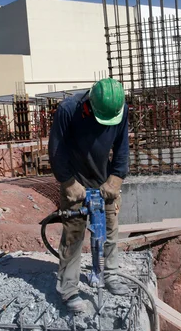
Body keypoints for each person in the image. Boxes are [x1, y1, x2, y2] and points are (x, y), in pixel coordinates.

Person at [48, 78, 130, 313]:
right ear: (90, 105)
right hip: (76, 183)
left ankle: (110, 275)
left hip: (104, 182)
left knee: (110, 230)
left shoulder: (119, 110)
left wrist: (116, 178)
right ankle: (69, 289)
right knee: (73, 237)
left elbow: (122, 147)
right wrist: (68, 183)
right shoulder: (68, 111)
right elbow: (56, 151)